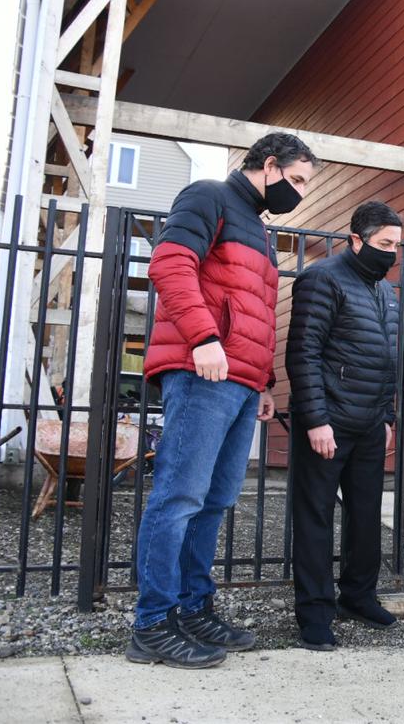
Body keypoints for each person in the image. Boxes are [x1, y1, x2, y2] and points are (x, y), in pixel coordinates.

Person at [128, 133, 320, 669]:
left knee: (213, 502)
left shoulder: (259, 229)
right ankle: (151, 624)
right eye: (297, 180)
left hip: (238, 382)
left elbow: (253, 312)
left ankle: (192, 609)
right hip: (200, 371)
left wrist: (262, 382)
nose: (300, 192)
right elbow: (170, 266)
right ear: (269, 164)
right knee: (178, 498)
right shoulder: (207, 195)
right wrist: (203, 339)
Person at [286, 201, 404, 651]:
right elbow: (304, 353)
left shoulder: (384, 292)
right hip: (328, 422)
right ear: (356, 240)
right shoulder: (321, 279)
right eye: (383, 244)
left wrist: (388, 416)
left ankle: (358, 596)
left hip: (371, 424)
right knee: (315, 516)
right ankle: (315, 613)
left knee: (367, 515)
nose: (391, 253)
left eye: (396, 244)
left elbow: (388, 359)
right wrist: (316, 419)